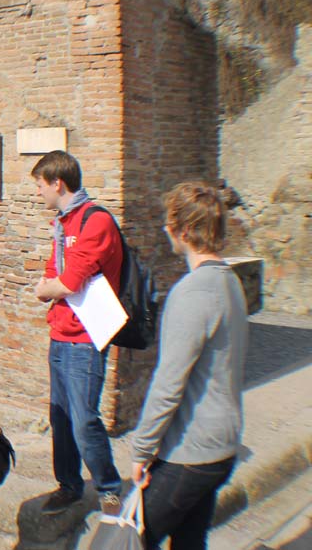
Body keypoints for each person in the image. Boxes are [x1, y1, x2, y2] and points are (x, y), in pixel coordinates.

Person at [131, 182, 248, 549]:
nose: (166, 230)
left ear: (183, 231)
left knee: (133, 539)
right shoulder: (230, 283)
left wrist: (141, 450)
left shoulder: (193, 292)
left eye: (169, 223)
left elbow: (168, 384)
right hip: (222, 445)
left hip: (192, 450)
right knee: (189, 541)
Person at [31, 150, 123, 515]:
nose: (38, 192)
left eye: (40, 185)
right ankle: (68, 485)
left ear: (58, 183)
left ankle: (109, 488)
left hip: (85, 339)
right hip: (60, 333)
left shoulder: (95, 222)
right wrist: (52, 285)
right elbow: (53, 270)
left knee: (85, 418)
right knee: (62, 417)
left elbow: (67, 280)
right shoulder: (62, 223)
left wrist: (49, 288)